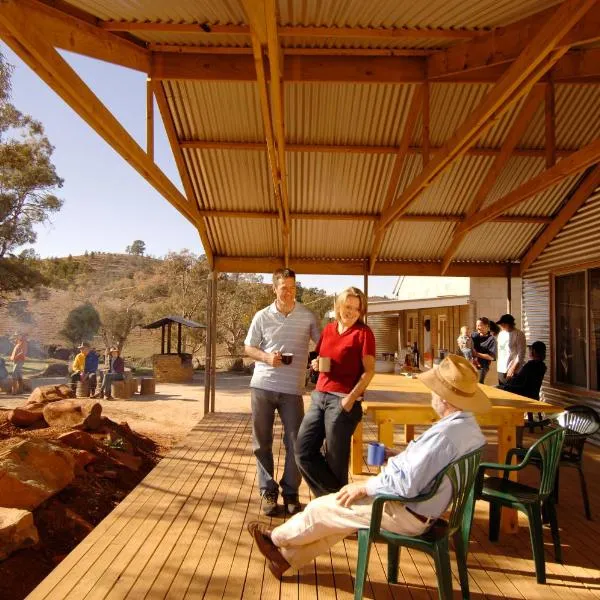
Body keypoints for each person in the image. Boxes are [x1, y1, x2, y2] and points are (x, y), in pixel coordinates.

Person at [247, 354, 490, 579]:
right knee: (340, 514)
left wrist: (366, 486)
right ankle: (286, 560)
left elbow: (406, 484)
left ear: (445, 398)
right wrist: (398, 455)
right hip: (424, 508)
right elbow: (429, 465)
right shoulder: (468, 429)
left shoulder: (445, 436)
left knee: (324, 506)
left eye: (434, 391)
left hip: (407, 512)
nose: (431, 395)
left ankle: (276, 539)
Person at [244, 268, 320, 516]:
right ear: (274, 289)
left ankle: (290, 492)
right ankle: (268, 491)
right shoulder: (262, 316)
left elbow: (323, 345)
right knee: (262, 443)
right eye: (283, 287)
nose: (288, 292)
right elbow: (249, 347)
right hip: (263, 386)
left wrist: (320, 359)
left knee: (295, 442)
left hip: (292, 390)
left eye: (292, 287)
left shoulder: (308, 316)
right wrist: (266, 356)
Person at [295, 287, 375, 498]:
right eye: (347, 306)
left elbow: (369, 372)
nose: (351, 312)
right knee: (302, 452)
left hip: (343, 402)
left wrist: (348, 401)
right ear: (338, 306)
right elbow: (320, 358)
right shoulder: (329, 329)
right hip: (319, 396)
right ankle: (335, 506)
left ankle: (335, 514)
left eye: (356, 309)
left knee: (335, 462)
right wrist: (315, 364)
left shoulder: (363, 333)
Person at [496, 314, 527, 385]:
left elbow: (521, 354)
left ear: (508, 324)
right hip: (501, 368)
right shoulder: (501, 334)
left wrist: (512, 369)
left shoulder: (519, 334)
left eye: (502, 324)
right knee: (501, 392)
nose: (501, 326)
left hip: (513, 369)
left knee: (510, 392)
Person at [471, 317, 497, 384]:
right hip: (470, 364)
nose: (477, 328)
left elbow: (492, 357)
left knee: (478, 385)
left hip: (481, 368)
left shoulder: (491, 339)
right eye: (476, 325)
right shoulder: (474, 335)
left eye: (479, 325)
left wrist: (476, 354)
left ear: (486, 326)